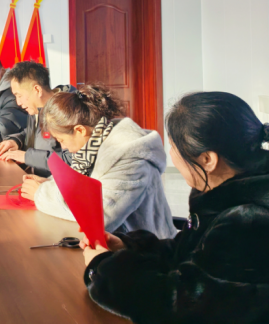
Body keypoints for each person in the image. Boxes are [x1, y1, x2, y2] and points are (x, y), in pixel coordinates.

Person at [82, 92, 269, 324]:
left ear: (208, 160)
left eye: (174, 147)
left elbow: (179, 307)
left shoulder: (252, 221)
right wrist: (129, 248)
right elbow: (191, 253)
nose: (172, 155)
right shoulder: (223, 189)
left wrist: (103, 268)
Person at [21, 85, 175, 239]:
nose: (63, 147)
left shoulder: (131, 157)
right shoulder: (91, 147)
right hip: (120, 242)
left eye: (61, 140)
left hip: (146, 248)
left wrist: (41, 193)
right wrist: (49, 183)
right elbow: (80, 186)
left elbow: (100, 215)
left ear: (80, 130)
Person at [0, 61, 74, 176]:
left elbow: (72, 160)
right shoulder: (37, 108)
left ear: (37, 90)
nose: (18, 102)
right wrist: (16, 141)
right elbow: (36, 133)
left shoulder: (68, 112)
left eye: (19, 95)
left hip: (55, 182)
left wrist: (27, 157)